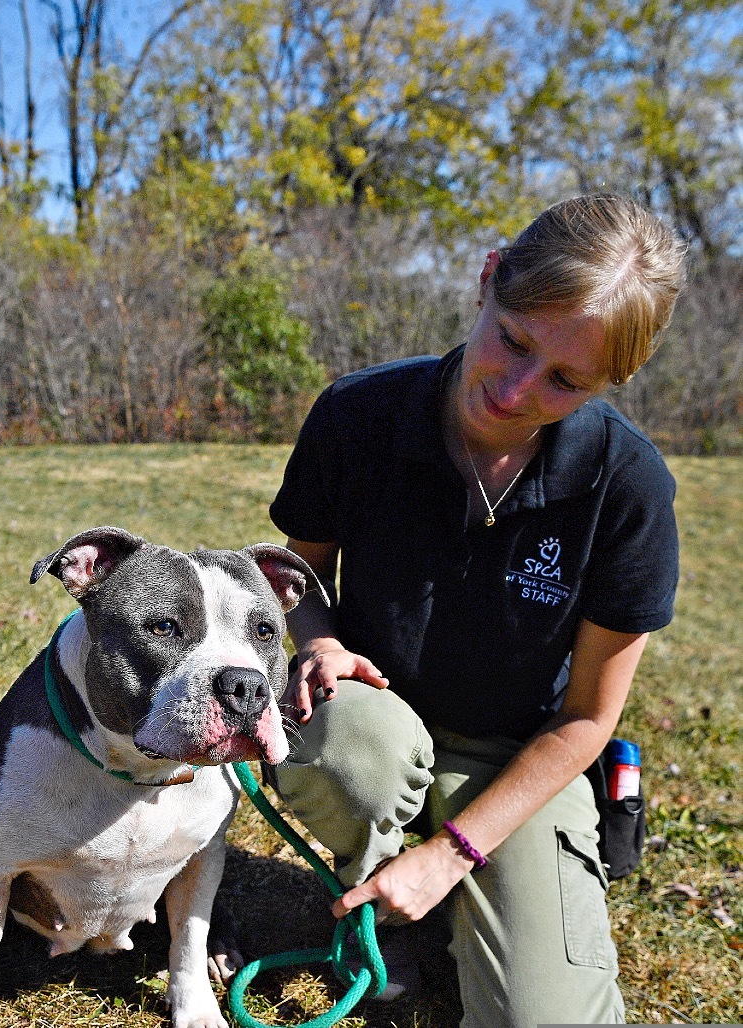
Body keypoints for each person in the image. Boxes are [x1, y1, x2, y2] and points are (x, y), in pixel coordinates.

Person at [265, 194, 687, 1027]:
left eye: (567, 380)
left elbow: (587, 720)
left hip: (518, 758)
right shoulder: (356, 416)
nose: (519, 390)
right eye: (515, 340)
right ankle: (376, 897)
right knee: (355, 752)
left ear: (614, 380)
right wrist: (317, 642)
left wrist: (453, 856)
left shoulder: (629, 488)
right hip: (376, 717)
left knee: (545, 1018)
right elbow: (299, 577)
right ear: (489, 281)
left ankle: (447, 881)